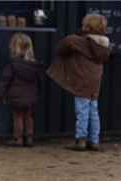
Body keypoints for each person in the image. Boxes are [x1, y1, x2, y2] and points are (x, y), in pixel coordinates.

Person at [46, 13, 111, 151]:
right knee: (93, 111)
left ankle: (80, 139)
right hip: (95, 81)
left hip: (82, 80)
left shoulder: (79, 41)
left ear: (87, 27)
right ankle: (94, 140)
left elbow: (62, 47)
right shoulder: (103, 45)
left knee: (82, 110)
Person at [0, 33, 43, 147]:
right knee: (28, 115)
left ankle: (18, 137)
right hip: (31, 95)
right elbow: (40, 81)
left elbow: (4, 79)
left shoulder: (12, 64)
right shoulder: (34, 65)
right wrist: (38, 92)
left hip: (16, 95)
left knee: (18, 116)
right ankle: (29, 137)